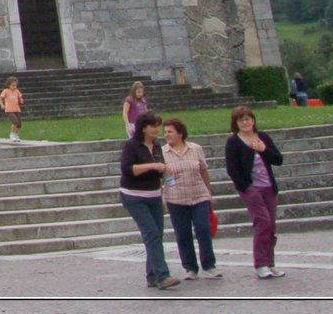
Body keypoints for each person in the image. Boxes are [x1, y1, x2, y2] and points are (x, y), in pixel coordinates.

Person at [119, 110, 180, 290]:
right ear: (144, 128)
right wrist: (153, 165)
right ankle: (162, 275)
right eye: (153, 127)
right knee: (151, 233)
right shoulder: (132, 146)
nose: (157, 130)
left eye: (157, 127)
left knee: (156, 234)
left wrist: (165, 172)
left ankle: (152, 274)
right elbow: (128, 170)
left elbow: (159, 168)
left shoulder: (156, 145)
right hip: (134, 196)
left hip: (154, 194)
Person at [225, 105, 286, 278]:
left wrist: (263, 149)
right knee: (263, 222)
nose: (245, 122)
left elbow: (278, 159)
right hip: (251, 189)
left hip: (269, 187)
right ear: (235, 123)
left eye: (248, 119)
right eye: (241, 120)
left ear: (253, 120)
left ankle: (270, 262)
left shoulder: (263, 137)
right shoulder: (234, 141)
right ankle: (260, 263)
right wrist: (245, 187)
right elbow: (232, 169)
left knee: (271, 225)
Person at [161, 118, 221, 280]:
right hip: (176, 199)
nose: (166, 135)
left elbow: (203, 171)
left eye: (170, 131)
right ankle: (190, 267)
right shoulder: (162, 153)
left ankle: (209, 265)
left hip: (199, 196)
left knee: (203, 229)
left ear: (180, 133)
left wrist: (209, 193)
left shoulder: (195, 149)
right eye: (165, 132)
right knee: (183, 234)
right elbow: (161, 178)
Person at [0, 76, 25, 143]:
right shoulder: (6, 91)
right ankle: (12, 134)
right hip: (9, 109)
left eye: (15, 85)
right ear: (9, 85)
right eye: (13, 85)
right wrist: (2, 105)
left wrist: (21, 100)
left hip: (17, 109)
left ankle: (16, 134)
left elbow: (20, 97)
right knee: (15, 122)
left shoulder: (17, 91)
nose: (14, 87)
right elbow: (0, 98)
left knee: (19, 124)